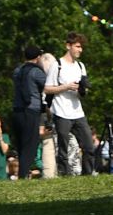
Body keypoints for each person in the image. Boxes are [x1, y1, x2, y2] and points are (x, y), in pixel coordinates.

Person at [45, 32, 94, 177]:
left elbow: (82, 93)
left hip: (78, 111)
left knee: (89, 146)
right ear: (68, 46)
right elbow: (47, 88)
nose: (80, 50)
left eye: (81, 47)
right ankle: (65, 175)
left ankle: (88, 175)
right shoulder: (57, 65)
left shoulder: (80, 66)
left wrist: (82, 90)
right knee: (63, 147)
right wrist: (66, 87)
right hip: (61, 111)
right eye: (78, 46)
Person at [10, 44, 48, 180]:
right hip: (30, 111)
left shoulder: (17, 71)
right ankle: (23, 175)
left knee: (21, 145)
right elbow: (48, 86)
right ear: (38, 57)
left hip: (17, 111)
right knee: (30, 146)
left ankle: (22, 173)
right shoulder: (36, 72)